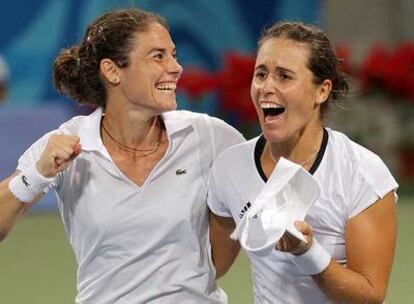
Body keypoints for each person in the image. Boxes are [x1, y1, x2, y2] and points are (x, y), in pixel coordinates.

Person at [0, 8, 244, 304]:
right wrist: (36, 175)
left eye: (174, 55)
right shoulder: (68, 142)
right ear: (113, 71)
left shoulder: (210, 136)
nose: (177, 67)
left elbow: (259, 198)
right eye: (158, 56)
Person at [207, 21, 397, 303]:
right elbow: (211, 266)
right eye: (261, 74)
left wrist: (308, 252)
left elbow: (369, 297)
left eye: (284, 76)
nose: (266, 87)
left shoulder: (363, 174)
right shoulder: (230, 168)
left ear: (322, 91)